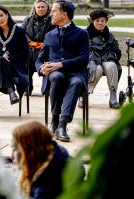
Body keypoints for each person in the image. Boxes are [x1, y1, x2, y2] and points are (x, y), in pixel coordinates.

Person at [12, 121, 83, 199]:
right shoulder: (58, 157)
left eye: (16, 148)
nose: (13, 154)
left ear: (29, 149)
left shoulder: (47, 178)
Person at [36, 0, 89, 142]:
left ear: (64, 14)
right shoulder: (49, 35)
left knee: (76, 82)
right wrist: (41, 68)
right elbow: (40, 59)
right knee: (57, 77)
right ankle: (54, 119)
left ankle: (62, 125)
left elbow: (84, 58)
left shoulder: (82, 34)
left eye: (54, 11)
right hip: (54, 74)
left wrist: (60, 64)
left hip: (75, 72)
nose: (50, 14)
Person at [82, 9, 121, 109]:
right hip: (92, 60)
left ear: (106, 22)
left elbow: (116, 49)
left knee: (112, 65)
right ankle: (85, 94)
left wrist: (114, 56)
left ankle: (113, 95)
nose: (100, 23)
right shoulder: (85, 34)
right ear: (92, 21)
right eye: (97, 20)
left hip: (107, 58)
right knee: (97, 69)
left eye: (102, 21)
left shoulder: (109, 35)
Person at [22, 0, 54, 96]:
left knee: (48, 62)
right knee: (25, 61)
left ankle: (46, 88)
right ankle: (27, 87)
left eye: (43, 7)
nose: (40, 9)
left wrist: (44, 44)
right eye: (38, 7)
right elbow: (21, 33)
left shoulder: (53, 20)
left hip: (46, 48)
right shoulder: (27, 19)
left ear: (47, 8)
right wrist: (30, 42)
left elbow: (54, 34)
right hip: (30, 48)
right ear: (35, 8)